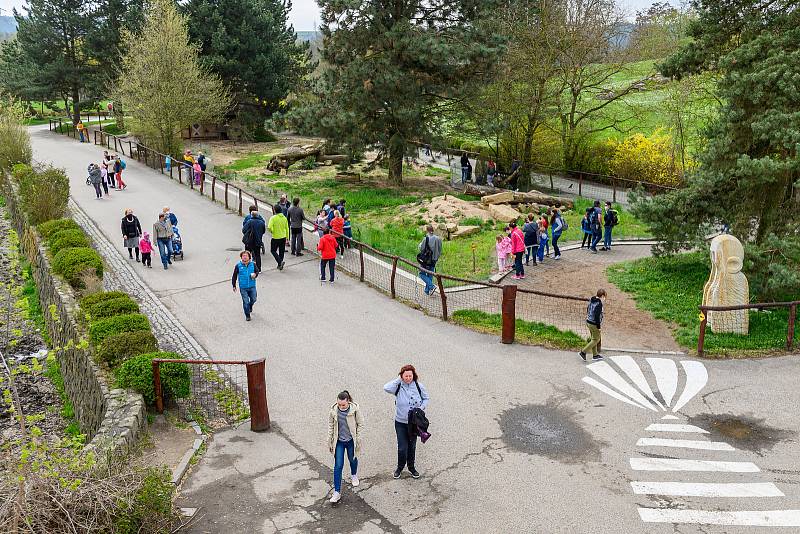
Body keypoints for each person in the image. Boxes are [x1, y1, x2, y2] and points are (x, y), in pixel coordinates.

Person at [383, 365, 429, 479]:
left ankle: (411, 467)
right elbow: (386, 387)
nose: (408, 378)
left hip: (414, 423)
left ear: (413, 376)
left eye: (410, 375)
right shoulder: (398, 386)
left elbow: (426, 398)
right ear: (402, 376)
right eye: (406, 376)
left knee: (412, 446)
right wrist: (399, 379)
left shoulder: (418, 386)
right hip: (400, 422)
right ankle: (399, 467)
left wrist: (421, 408)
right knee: (402, 447)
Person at [327, 390, 363, 504]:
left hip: (351, 440)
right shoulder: (333, 411)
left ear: (348, 402)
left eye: (343, 404)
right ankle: (337, 492)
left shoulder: (355, 410)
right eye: (339, 404)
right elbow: (331, 425)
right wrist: (329, 440)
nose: (341, 407)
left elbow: (360, 424)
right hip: (339, 442)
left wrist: (358, 438)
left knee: (352, 459)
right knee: (338, 465)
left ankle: (353, 475)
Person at [231, 250, 260, 321]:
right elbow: (234, 276)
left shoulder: (253, 264)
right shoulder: (238, 266)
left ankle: (250, 306)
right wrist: (234, 285)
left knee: (254, 299)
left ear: (249, 257)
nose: (244, 257)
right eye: (243, 256)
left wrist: (255, 275)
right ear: (241, 257)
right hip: (243, 287)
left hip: (252, 286)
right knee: (245, 301)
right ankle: (247, 315)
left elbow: (257, 271)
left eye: (246, 256)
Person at [580, 289, 606, 362]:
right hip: (594, 324)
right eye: (604, 297)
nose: (604, 299)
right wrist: (598, 327)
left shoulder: (592, 300)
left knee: (593, 339)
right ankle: (583, 352)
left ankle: (595, 355)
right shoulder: (599, 304)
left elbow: (588, 309)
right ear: (602, 296)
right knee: (596, 339)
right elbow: (597, 316)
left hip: (588, 322)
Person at [417, 225, 442, 296]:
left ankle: (431, 286)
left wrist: (419, 245)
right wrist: (436, 257)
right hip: (434, 260)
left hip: (426, 260)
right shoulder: (438, 239)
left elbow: (422, 249)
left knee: (421, 274)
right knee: (430, 274)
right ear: (433, 230)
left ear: (427, 230)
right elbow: (440, 250)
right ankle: (427, 290)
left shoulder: (426, 239)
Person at [267, 205, 289, 270]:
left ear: (274, 210)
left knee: (273, 250)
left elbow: (269, 227)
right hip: (283, 237)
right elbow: (287, 228)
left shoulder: (273, 218)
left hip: (276, 237)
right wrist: (287, 238)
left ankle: (280, 262)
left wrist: (272, 231)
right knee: (281, 251)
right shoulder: (284, 218)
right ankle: (280, 265)